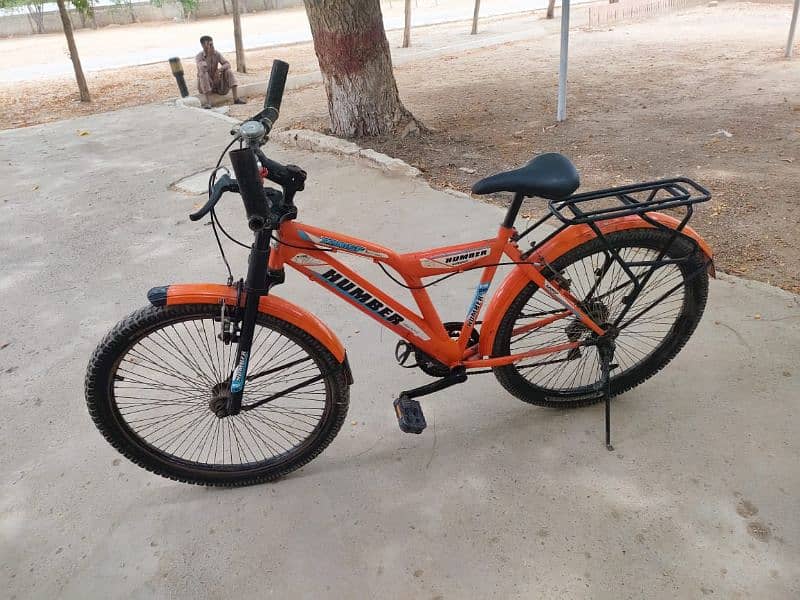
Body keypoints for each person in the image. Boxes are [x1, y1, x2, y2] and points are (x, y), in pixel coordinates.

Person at [196, 35, 246, 109]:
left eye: (212, 44)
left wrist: (219, 70)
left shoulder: (217, 53)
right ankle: (209, 103)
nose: (211, 46)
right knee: (204, 74)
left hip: (218, 85)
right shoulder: (199, 56)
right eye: (209, 44)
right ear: (203, 45)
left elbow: (227, 64)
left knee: (228, 71)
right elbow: (203, 69)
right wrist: (209, 55)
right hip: (205, 86)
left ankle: (236, 99)